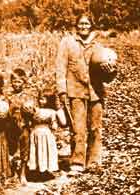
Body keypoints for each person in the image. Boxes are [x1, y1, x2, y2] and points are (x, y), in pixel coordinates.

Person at [55, 13, 117, 175]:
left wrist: (112, 72)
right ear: (76, 26)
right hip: (75, 90)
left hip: (96, 92)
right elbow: (60, 67)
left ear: (91, 26)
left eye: (86, 24)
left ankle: (94, 161)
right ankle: (77, 162)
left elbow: (108, 75)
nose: (83, 27)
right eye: (81, 24)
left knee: (96, 127)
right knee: (78, 128)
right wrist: (61, 89)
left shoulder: (98, 46)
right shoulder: (67, 43)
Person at [24, 89, 59, 179]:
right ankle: (37, 170)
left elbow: (54, 122)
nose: (40, 101)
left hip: (46, 133)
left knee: (45, 150)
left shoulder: (51, 111)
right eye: (40, 99)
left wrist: (54, 126)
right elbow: (30, 121)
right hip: (36, 132)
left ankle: (45, 170)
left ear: (49, 100)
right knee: (37, 150)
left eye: (43, 99)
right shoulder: (35, 110)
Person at [7, 68, 35, 185]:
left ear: (24, 82)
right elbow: (6, 111)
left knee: (24, 148)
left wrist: (28, 109)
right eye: (14, 81)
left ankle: (23, 173)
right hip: (11, 126)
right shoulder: (9, 96)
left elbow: (33, 111)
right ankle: (13, 173)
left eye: (19, 82)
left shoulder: (28, 96)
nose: (16, 84)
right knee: (12, 149)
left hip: (24, 126)